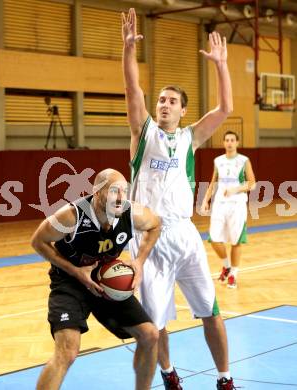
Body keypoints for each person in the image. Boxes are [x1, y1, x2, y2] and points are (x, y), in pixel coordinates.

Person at [122, 8, 236, 390]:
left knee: (210, 310)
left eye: (172, 101)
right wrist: (127, 52)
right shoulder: (144, 132)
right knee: (157, 322)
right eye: (162, 100)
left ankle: (225, 378)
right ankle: (169, 373)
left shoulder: (191, 137)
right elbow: (132, 91)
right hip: (149, 237)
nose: (165, 104)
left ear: (184, 110)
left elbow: (225, 110)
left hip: (185, 234)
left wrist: (221, 65)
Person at [31, 168, 161, 390]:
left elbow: (155, 225)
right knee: (67, 352)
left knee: (149, 335)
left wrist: (139, 261)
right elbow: (38, 241)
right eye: (113, 191)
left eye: (124, 191)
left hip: (105, 283)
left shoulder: (132, 213)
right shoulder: (71, 215)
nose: (120, 197)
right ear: (97, 192)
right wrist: (75, 271)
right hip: (69, 283)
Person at [201, 130, 256, 288]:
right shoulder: (218, 160)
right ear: (224, 143)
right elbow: (213, 182)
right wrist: (206, 199)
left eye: (232, 140)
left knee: (235, 240)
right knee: (214, 238)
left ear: (237, 143)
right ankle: (226, 265)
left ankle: (233, 275)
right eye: (227, 140)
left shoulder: (244, 160)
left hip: (237, 205)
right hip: (219, 204)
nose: (230, 142)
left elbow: (252, 183)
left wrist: (235, 190)